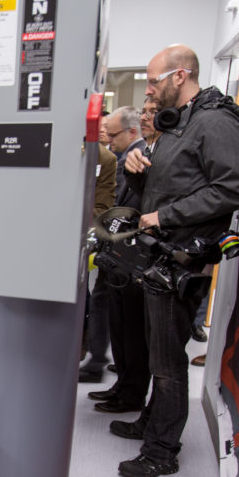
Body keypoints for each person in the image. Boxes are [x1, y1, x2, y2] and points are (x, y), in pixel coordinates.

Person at [114, 44, 239, 477]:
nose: (148, 90)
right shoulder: (180, 125)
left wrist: (166, 216)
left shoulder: (215, 122)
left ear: (180, 76)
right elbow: (167, 187)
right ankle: (151, 424)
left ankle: (162, 452)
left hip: (182, 261)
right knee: (158, 354)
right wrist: (137, 169)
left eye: (153, 80)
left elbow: (235, 187)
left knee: (169, 363)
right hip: (160, 256)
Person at [90, 106, 152, 414]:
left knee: (132, 329)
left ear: (131, 132)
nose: (108, 139)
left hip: (131, 256)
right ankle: (122, 386)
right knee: (119, 324)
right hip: (118, 256)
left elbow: (135, 206)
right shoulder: (126, 156)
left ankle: (131, 394)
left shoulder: (140, 159)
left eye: (112, 134)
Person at [79, 133, 116, 373]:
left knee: (82, 294)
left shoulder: (104, 157)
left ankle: (83, 342)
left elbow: (102, 209)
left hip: (78, 238)